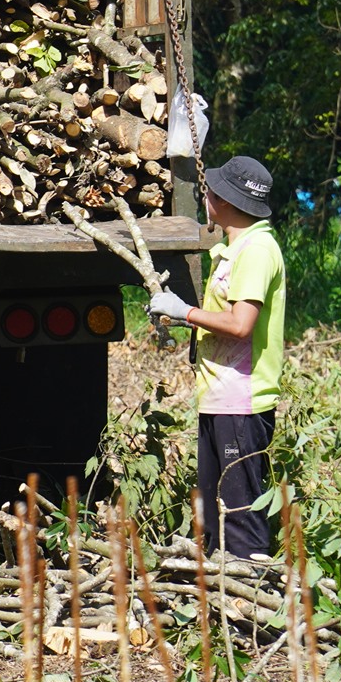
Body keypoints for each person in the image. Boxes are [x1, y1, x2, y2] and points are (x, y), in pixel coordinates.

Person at [148, 157, 285, 560]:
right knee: (213, 518)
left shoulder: (257, 250)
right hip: (220, 399)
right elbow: (225, 323)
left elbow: (241, 325)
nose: (205, 194)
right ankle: (222, 604)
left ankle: (255, 606)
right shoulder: (234, 248)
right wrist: (184, 318)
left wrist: (185, 311)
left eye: (211, 189)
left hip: (241, 403)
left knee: (240, 520)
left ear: (223, 200)